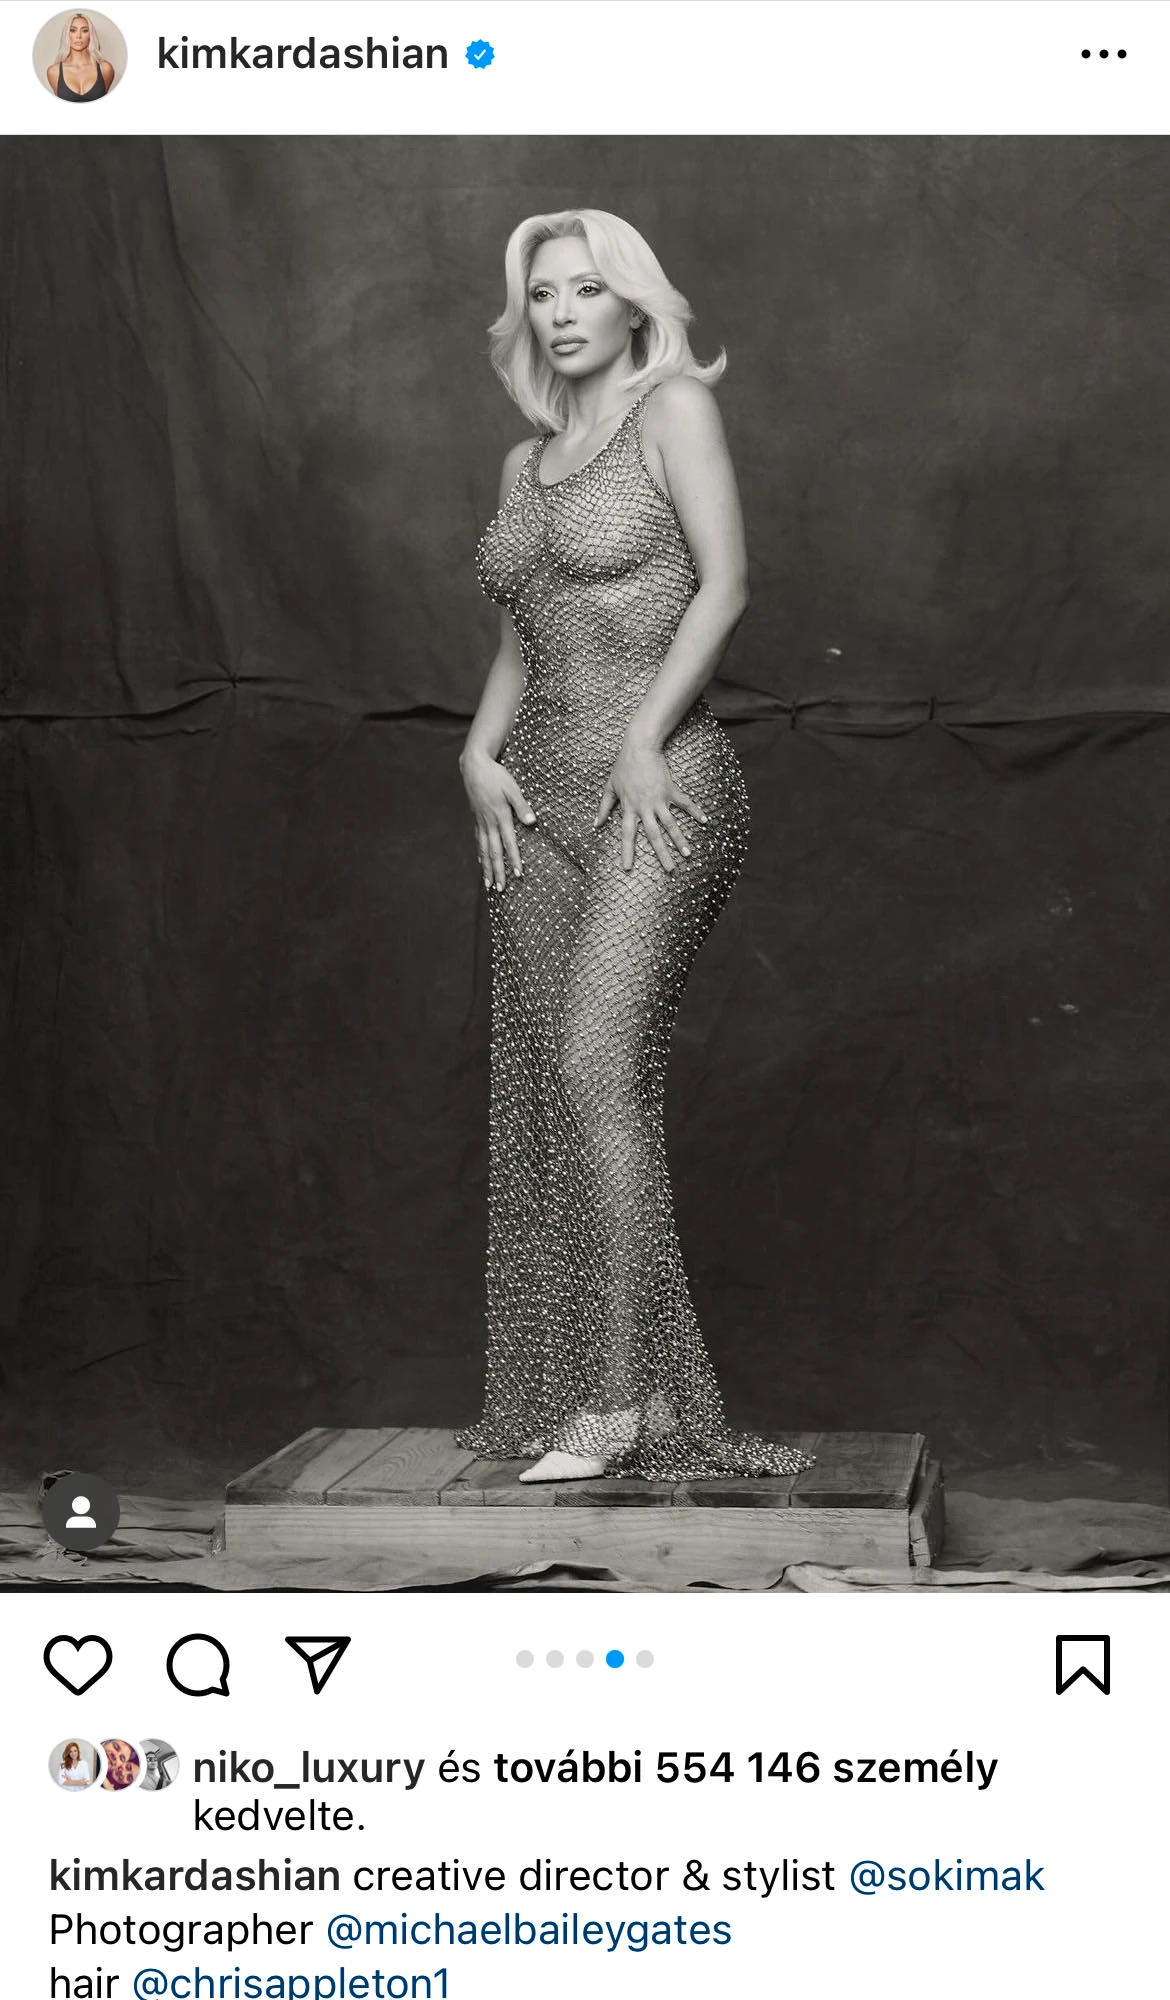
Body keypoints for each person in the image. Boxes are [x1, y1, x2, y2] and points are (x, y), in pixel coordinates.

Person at [454, 209, 813, 1483]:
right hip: (535, 802)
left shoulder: (674, 412)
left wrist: (648, 738)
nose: (562, 313)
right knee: (560, 1091)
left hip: (658, 790)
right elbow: (523, 632)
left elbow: (726, 584)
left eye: (586, 290)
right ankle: (623, 1391)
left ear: (632, 304)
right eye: (544, 294)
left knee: (596, 1064)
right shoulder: (526, 461)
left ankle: (614, 1405)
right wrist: (475, 754)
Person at [47, 14, 115, 101]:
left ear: (90, 35)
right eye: (73, 30)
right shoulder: (54, 72)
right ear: (66, 35)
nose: (78, 36)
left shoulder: (105, 69)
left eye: (85, 30)